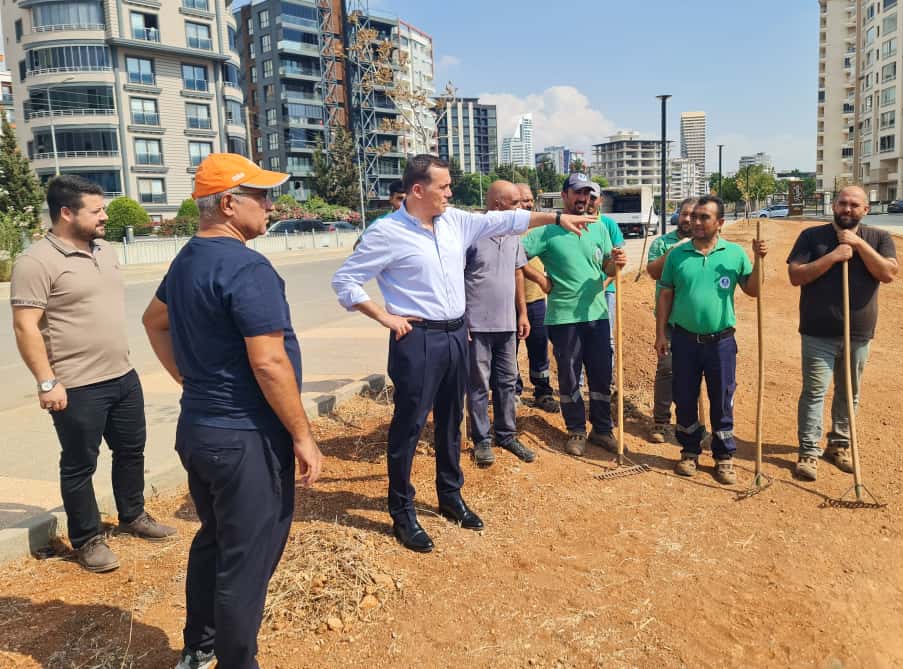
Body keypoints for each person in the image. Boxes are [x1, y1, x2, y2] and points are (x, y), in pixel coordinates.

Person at [331, 154, 593, 553]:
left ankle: (450, 496)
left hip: (457, 334)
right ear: (418, 190)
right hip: (416, 339)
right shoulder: (386, 233)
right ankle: (402, 511)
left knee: (452, 420)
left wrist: (556, 220)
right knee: (409, 426)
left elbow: (505, 220)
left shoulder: (455, 221)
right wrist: (385, 316)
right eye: (444, 187)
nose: (451, 193)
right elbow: (345, 280)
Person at [141, 153, 323, 669]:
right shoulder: (248, 266)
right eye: (261, 196)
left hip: (200, 429)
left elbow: (154, 321)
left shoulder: (188, 257)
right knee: (247, 559)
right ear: (227, 204)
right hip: (245, 436)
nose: (271, 204)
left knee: (215, 540)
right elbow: (268, 362)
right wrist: (303, 435)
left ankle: (198, 648)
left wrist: (189, 378)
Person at [10, 175, 176, 574]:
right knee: (80, 464)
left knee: (131, 451)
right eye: (96, 210)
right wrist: (47, 381)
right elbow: (25, 327)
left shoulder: (105, 250)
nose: (104, 216)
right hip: (76, 384)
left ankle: (133, 515)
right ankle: (87, 539)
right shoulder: (36, 262)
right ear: (66, 213)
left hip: (122, 374)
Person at [786, 186, 897, 481]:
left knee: (849, 394)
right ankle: (809, 451)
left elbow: (887, 273)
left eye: (854, 205)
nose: (847, 209)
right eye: (842, 203)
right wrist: (834, 256)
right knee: (814, 392)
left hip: (859, 333)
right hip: (817, 331)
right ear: (834, 206)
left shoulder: (879, 238)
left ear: (866, 210)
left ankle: (839, 445)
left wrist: (858, 246)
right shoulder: (812, 236)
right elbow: (796, 276)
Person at [655, 195, 767, 485]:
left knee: (722, 398)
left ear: (720, 223)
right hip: (683, 340)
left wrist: (759, 261)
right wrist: (659, 334)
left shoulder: (734, 254)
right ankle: (689, 451)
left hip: (721, 342)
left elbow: (753, 290)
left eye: (705, 217)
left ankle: (724, 456)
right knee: (685, 396)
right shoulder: (678, 255)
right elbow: (665, 293)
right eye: (695, 217)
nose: (696, 222)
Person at [522, 173, 628, 457]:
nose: (584, 199)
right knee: (570, 376)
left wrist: (614, 263)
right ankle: (576, 430)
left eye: (589, 194)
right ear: (565, 195)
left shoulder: (599, 227)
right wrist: (541, 280)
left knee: (601, 374)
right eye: (578, 193)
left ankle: (602, 430)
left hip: (597, 314)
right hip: (564, 317)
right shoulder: (547, 230)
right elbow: (514, 255)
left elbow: (606, 267)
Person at [465, 180, 536, 467]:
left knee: (507, 381)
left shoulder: (513, 234)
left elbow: (518, 274)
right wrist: (463, 319)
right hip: (477, 324)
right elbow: (457, 277)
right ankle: (482, 439)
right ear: (498, 205)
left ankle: (506, 433)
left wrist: (522, 312)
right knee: (479, 383)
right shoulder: (472, 234)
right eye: (516, 203)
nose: (521, 208)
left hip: (507, 324)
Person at [645, 197, 697, 443]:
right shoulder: (661, 243)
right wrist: (676, 250)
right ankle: (661, 421)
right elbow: (653, 272)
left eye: (693, 215)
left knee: (693, 373)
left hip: (695, 322)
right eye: (684, 214)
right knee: (666, 370)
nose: (687, 219)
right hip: (668, 320)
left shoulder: (705, 246)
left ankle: (691, 422)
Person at [515, 183, 560, 412]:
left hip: (536, 300)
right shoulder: (505, 228)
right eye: (523, 200)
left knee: (539, 346)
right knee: (508, 350)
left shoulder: (539, 229)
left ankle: (542, 391)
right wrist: (540, 278)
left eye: (530, 199)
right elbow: (515, 261)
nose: (528, 203)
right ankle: (513, 391)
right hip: (508, 302)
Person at [588, 183, 626, 379]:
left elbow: (618, 259)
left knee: (607, 337)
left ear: (600, 200)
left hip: (606, 290)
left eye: (593, 197)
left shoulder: (608, 224)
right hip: (582, 292)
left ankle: (607, 379)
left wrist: (604, 284)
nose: (589, 201)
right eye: (586, 196)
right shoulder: (573, 222)